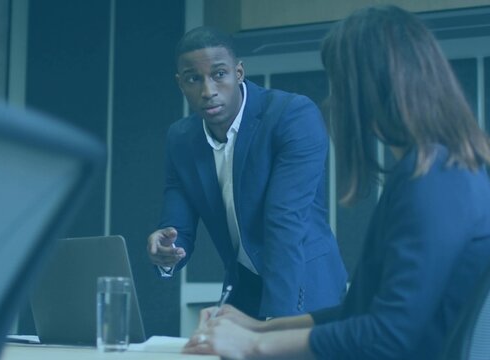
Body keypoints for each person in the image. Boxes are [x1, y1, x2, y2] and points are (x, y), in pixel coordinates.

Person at [183, 5, 490, 360]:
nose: (333, 100)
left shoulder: (435, 182)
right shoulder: (441, 169)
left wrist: (254, 346)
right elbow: (361, 312)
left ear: (372, 88)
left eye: (339, 84)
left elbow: (387, 335)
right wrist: (258, 326)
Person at [146, 26, 347, 319]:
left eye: (219, 74)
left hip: (306, 288)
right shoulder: (181, 139)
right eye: (194, 79)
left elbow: (284, 221)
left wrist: (275, 328)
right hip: (244, 292)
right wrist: (166, 250)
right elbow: (178, 227)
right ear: (181, 83)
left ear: (238, 72)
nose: (208, 91)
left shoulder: (292, 115)